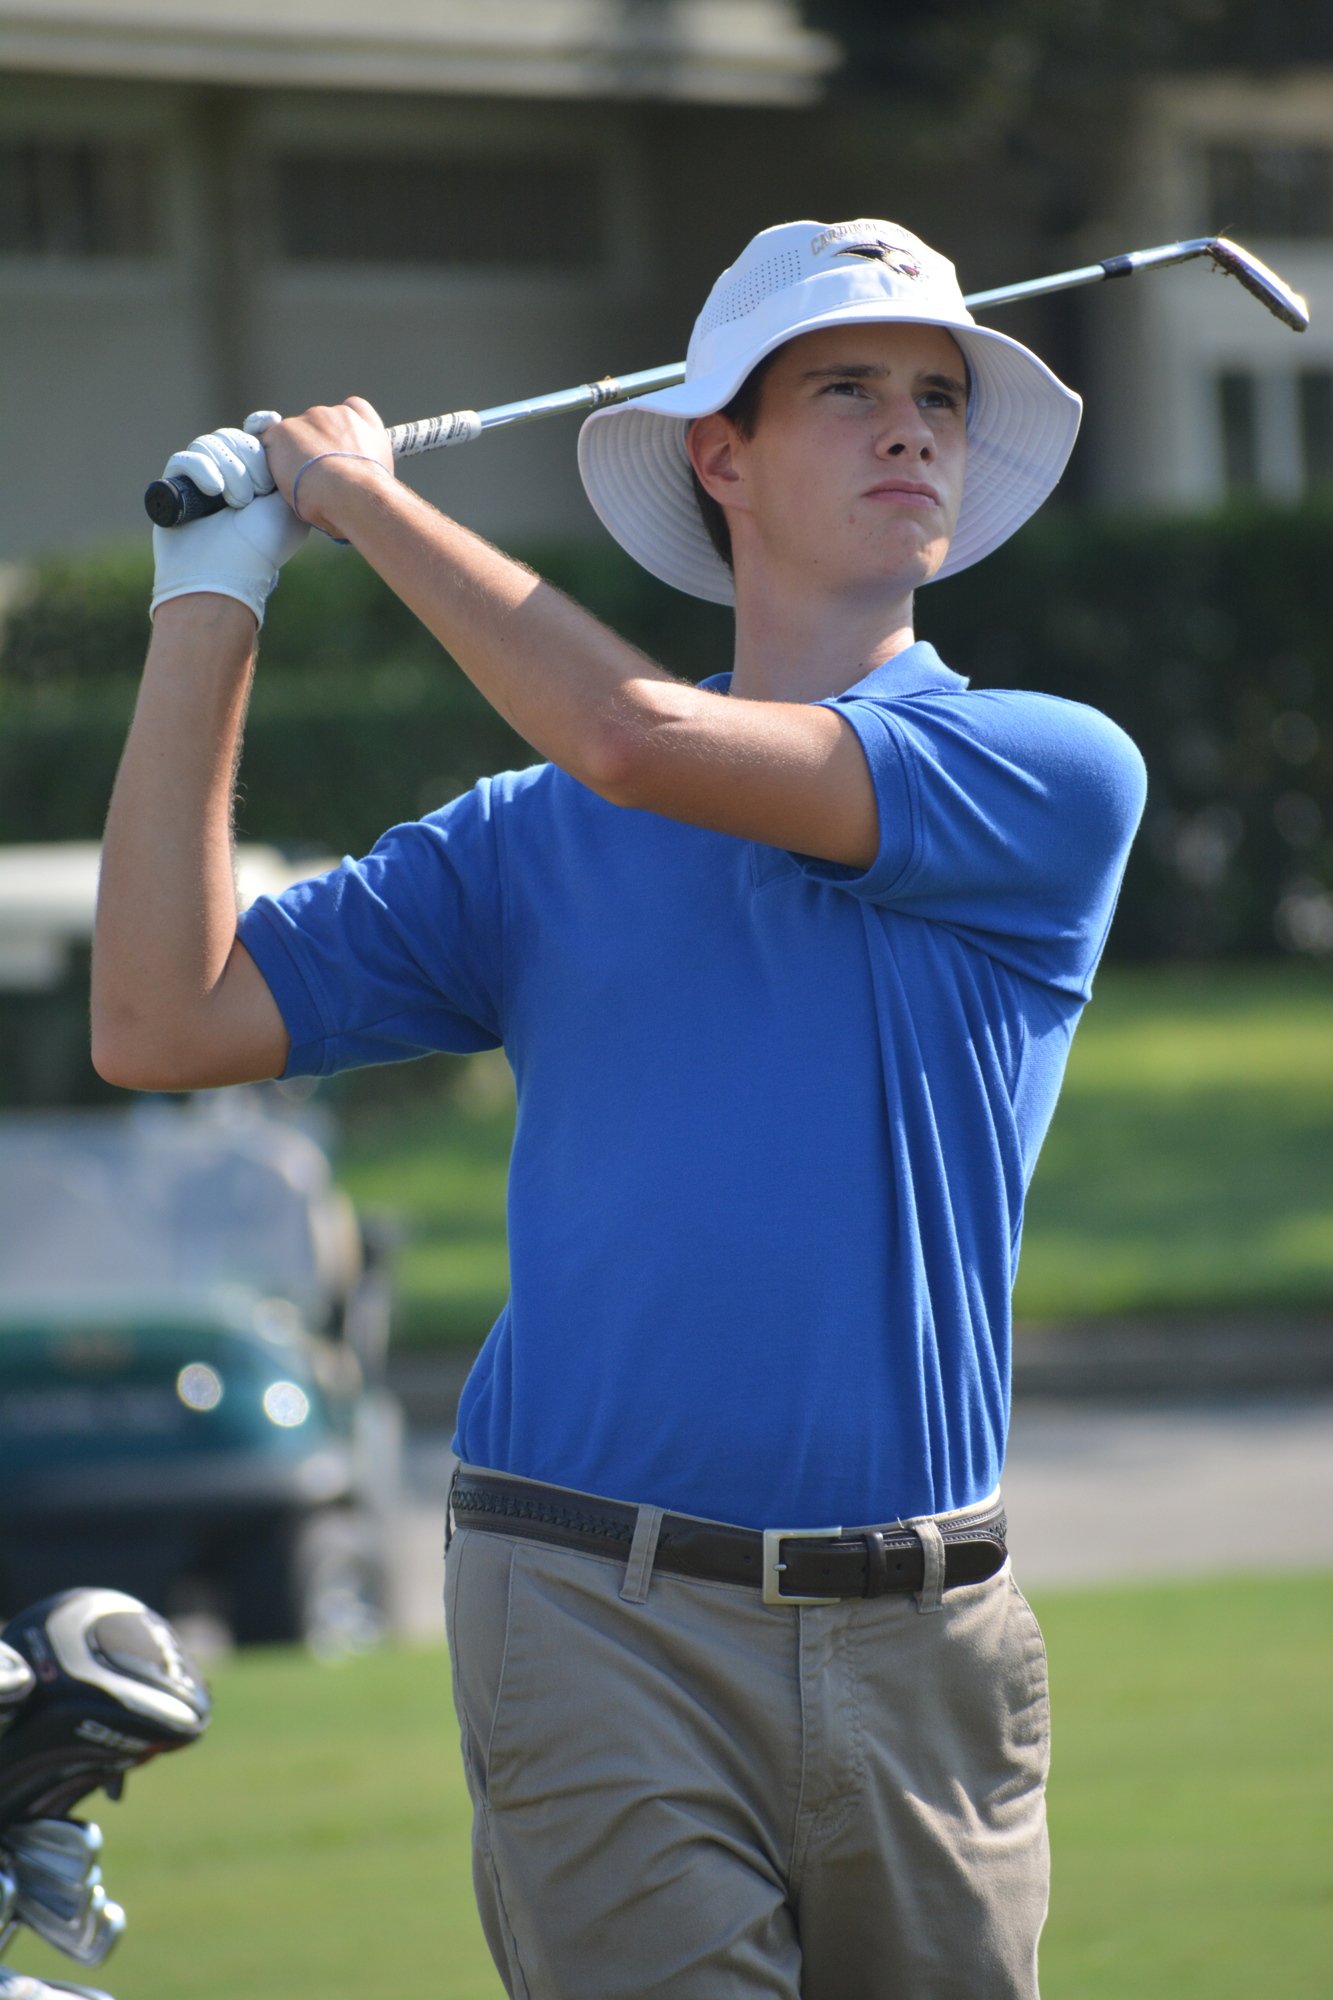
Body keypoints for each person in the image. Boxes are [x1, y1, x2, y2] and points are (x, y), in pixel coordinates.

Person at [92, 219, 1146, 1998]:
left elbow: (642, 742)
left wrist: (362, 497)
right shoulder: (528, 839)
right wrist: (218, 589)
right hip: (593, 1611)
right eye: (847, 390)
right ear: (714, 454)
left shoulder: (1046, 768)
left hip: (929, 1639)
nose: (912, 430)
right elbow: (159, 1014)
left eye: (936, 399)